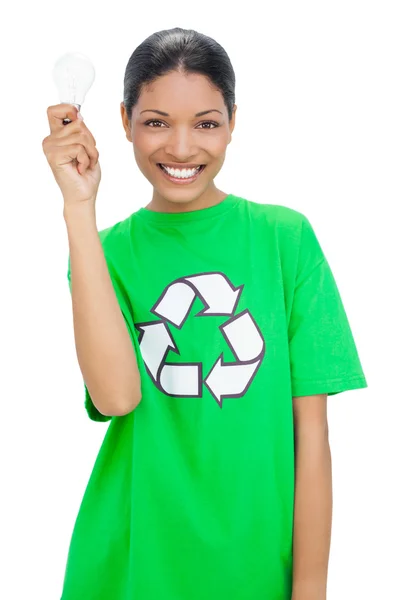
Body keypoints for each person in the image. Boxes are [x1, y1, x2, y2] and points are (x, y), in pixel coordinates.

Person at [43, 27, 368, 600]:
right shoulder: (104, 253)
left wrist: (311, 588)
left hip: (255, 565)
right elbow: (117, 398)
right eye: (156, 121)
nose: (183, 148)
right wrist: (78, 208)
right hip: (129, 565)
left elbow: (311, 435)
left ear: (233, 122)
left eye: (206, 123)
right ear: (124, 121)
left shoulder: (282, 239)